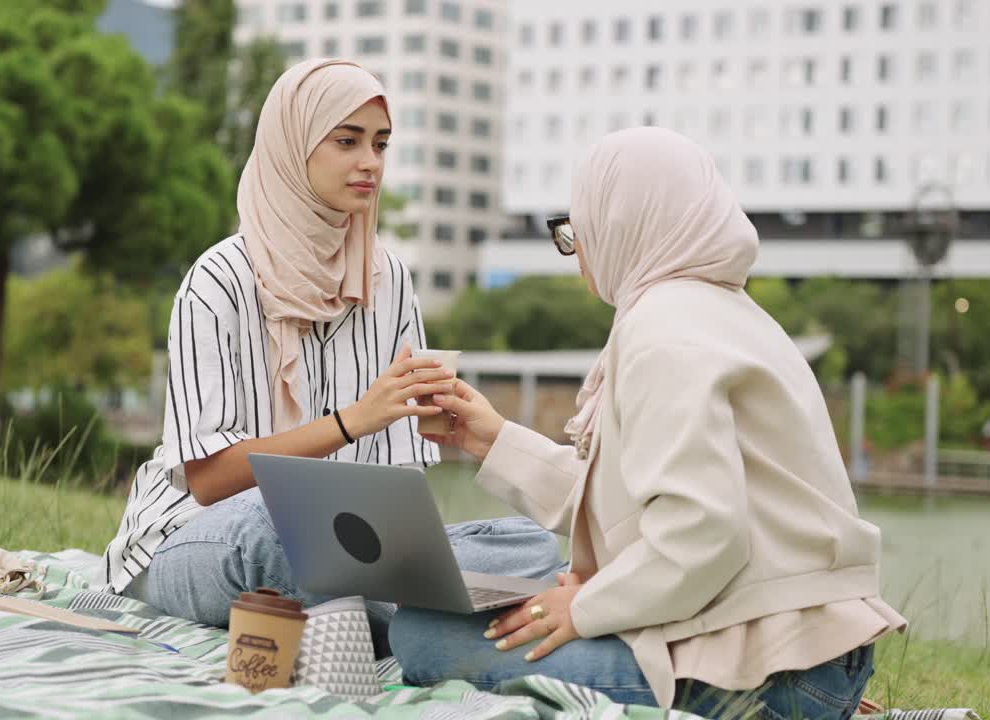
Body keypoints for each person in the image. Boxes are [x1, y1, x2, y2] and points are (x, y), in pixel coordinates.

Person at [389, 127, 907, 718]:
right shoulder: (717, 312)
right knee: (516, 580)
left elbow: (703, 534)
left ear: (623, 221)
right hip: (803, 648)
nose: (578, 250)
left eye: (578, 229)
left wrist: (585, 608)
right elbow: (634, 499)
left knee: (423, 636)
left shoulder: (664, 333)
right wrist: (490, 439)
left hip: (772, 670)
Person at [92, 59, 560, 652]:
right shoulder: (218, 280)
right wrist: (353, 421)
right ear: (294, 146)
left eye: (381, 144)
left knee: (528, 544)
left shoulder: (389, 281)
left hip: (348, 550)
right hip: (206, 538)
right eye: (347, 141)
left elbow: (398, 485)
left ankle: (396, 611)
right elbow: (209, 481)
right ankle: (424, 620)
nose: (371, 162)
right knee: (275, 526)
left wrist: (439, 429)